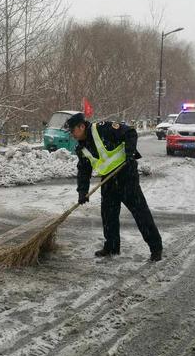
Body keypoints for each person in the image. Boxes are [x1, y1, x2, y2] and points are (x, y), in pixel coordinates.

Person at [66, 112, 163, 261]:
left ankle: (156, 248)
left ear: (81, 126)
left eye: (73, 131)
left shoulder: (102, 129)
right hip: (108, 180)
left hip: (126, 175)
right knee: (108, 216)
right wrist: (82, 192)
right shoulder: (81, 148)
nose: (72, 134)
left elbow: (130, 133)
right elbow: (83, 171)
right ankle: (111, 246)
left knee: (140, 213)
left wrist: (130, 154)